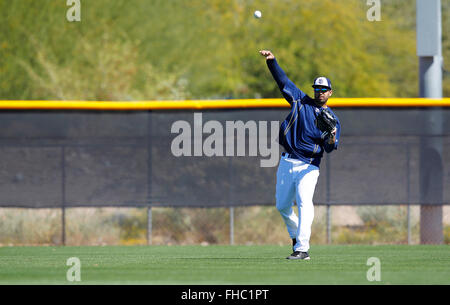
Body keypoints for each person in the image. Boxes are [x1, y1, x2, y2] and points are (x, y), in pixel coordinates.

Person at [260, 50, 341, 260]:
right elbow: (283, 81)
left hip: (309, 166)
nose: (320, 92)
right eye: (317, 88)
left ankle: (302, 249)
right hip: (287, 162)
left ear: (330, 92)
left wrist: (331, 137)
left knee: (305, 202)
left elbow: (331, 148)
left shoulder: (332, 119)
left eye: (324, 89)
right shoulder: (300, 101)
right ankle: (296, 237)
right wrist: (272, 62)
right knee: (282, 206)